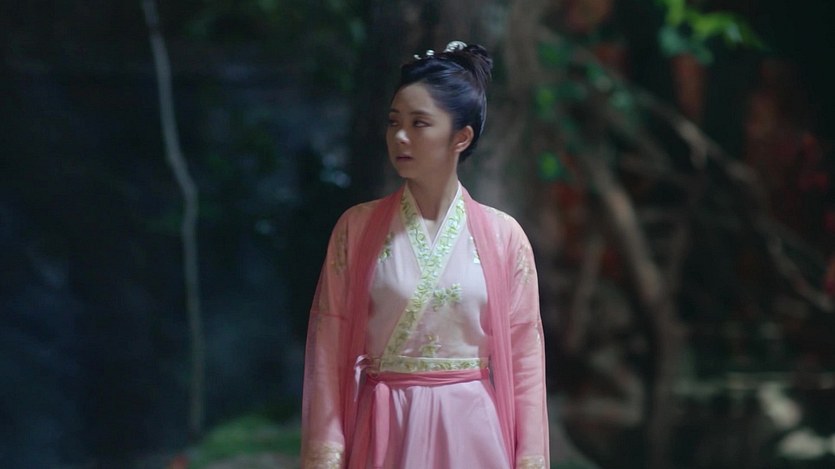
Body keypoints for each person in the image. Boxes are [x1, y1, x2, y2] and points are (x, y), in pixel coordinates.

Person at [301, 41, 550, 469]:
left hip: (471, 428)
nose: (400, 136)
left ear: (461, 137)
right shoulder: (357, 228)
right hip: (386, 425)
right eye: (393, 122)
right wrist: (327, 453)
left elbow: (525, 357)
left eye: (419, 123)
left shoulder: (504, 236)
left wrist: (530, 458)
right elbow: (329, 346)